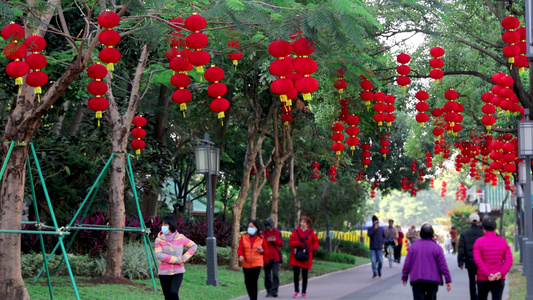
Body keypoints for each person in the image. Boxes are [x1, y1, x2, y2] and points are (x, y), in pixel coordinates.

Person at [402, 223, 452, 300]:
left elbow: (407, 263)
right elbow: (443, 265)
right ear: (432, 233)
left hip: (417, 279)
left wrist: (404, 276)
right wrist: (448, 280)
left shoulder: (413, 247)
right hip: (433, 279)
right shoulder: (437, 248)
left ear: (421, 233)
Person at [154, 215, 197, 300]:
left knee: (173, 292)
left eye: (165, 225)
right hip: (164, 272)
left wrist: (184, 257)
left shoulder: (181, 238)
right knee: (167, 296)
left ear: (171, 225)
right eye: (162, 224)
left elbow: (193, 246)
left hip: (178, 271)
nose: (163, 227)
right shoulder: (158, 240)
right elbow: (159, 255)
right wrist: (176, 259)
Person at [473, 218, 513, 300]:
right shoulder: (503, 242)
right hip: (499, 278)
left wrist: (488, 274)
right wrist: (501, 273)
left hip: (483, 278)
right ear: (495, 229)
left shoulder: (478, 242)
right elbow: (509, 260)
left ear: (483, 229)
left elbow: (478, 260)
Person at [289, 216, 319, 298]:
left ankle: (304, 291)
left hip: (306, 256)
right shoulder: (296, 231)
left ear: (308, 224)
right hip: (296, 256)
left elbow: (316, 243)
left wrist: (311, 248)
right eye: (301, 221)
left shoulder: (311, 233)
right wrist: (298, 243)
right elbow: (291, 242)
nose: (301, 223)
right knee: (296, 273)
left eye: (304, 222)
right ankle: (296, 291)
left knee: (304, 275)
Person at [238, 220, 269, 300]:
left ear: (256, 228)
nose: (250, 228)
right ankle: (252, 297)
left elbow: (267, 250)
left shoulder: (261, 238)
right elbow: (240, 249)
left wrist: (262, 251)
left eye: (252, 227)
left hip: (257, 263)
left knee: (254, 282)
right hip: (246, 264)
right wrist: (240, 255)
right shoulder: (244, 237)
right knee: (247, 282)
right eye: (249, 226)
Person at [458, 213, 484, 300]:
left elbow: (461, 248)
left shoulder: (464, 234)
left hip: (470, 262)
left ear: (469, 222)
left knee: (472, 281)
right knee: (482, 280)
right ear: (479, 222)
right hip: (482, 262)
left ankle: (473, 298)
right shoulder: (483, 233)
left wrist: (460, 262)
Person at [261, 218, 283, 298]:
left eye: (270, 226)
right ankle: (269, 291)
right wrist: (267, 240)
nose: (269, 228)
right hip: (266, 257)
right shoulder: (263, 233)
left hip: (275, 257)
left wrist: (275, 240)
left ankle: (274, 291)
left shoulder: (277, 232)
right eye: (267, 226)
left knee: (275, 274)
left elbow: (282, 243)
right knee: (267, 276)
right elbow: (260, 244)